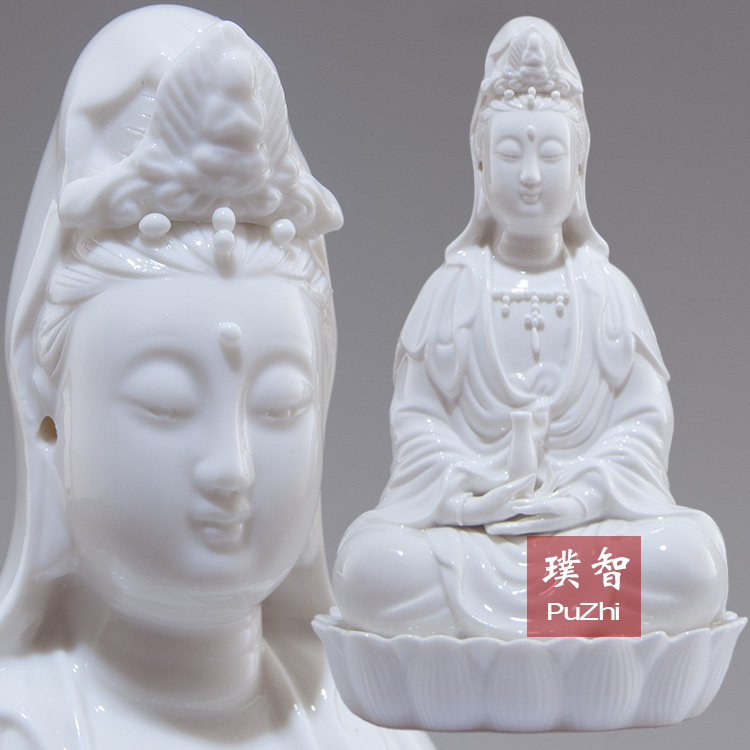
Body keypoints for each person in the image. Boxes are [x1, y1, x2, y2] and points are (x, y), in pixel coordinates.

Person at [0, 7, 432, 748]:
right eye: (165, 403)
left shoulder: (372, 731)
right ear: (51, 411)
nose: (231, 470)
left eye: (281, 405)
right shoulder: (25, 727)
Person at [333, 16, 729, 639]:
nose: (530, 177)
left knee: (693, 565)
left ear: (580, 167)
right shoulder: (450, 292)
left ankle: (497, 627)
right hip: (477, 540)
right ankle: (566, 621)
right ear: (480, 165)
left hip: (581, 534)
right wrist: (467, 498)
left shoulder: (608, 292)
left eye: (549, 154)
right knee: (371, 569)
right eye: (510, 154)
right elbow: (416, 423)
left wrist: (583, 498)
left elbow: (644, 424)